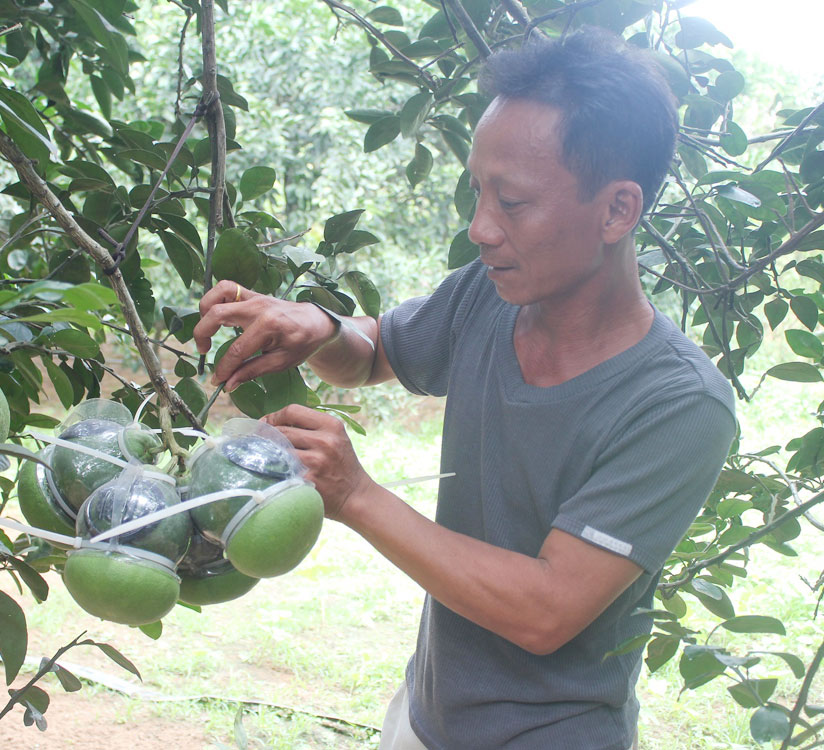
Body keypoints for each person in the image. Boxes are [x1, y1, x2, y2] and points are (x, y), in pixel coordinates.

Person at [192, 27, 736, 750]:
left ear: (617, 210)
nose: (480, 228)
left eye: (512, 202)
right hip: (427, 715)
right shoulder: (491, 293)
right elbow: (377, 351)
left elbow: (545, 611)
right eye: (478, 191)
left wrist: (355, 495)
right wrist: (318, 328)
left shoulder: (678, 404)